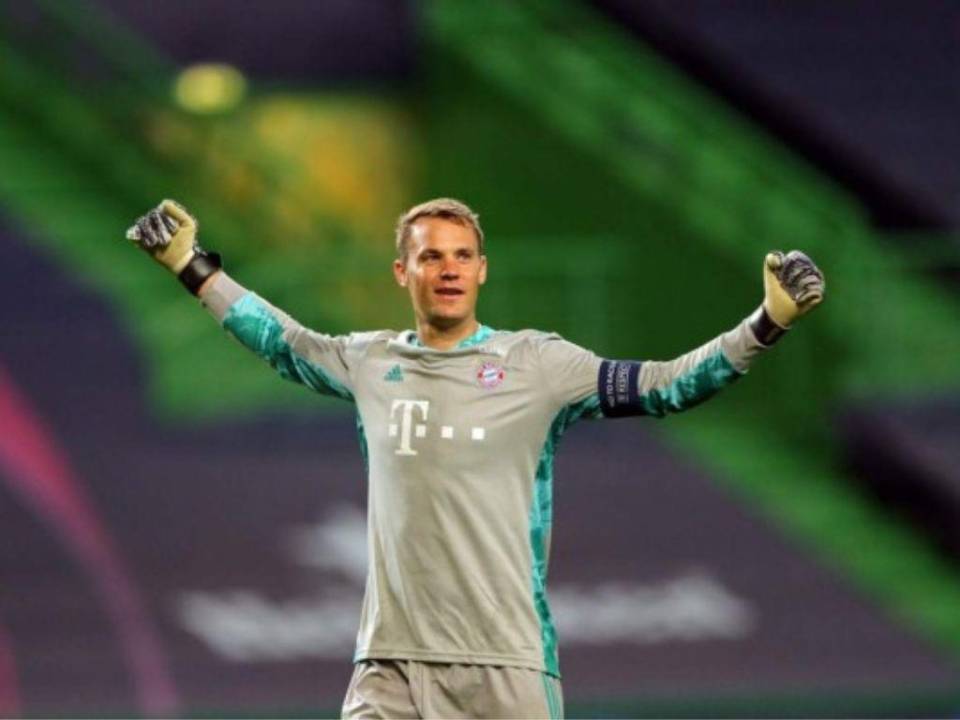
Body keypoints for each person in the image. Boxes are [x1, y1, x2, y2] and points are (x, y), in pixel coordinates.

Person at [126, 198, 824, 719]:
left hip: (507, 667)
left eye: (461, 255)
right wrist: (192, 267)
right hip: (391, 666)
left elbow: (667, 385)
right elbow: (282, 340)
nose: (448, 268)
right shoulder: (370, 362)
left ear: (482, 270)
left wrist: (766, 324)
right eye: (431, 256)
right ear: (404, 271)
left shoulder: (540, 364)